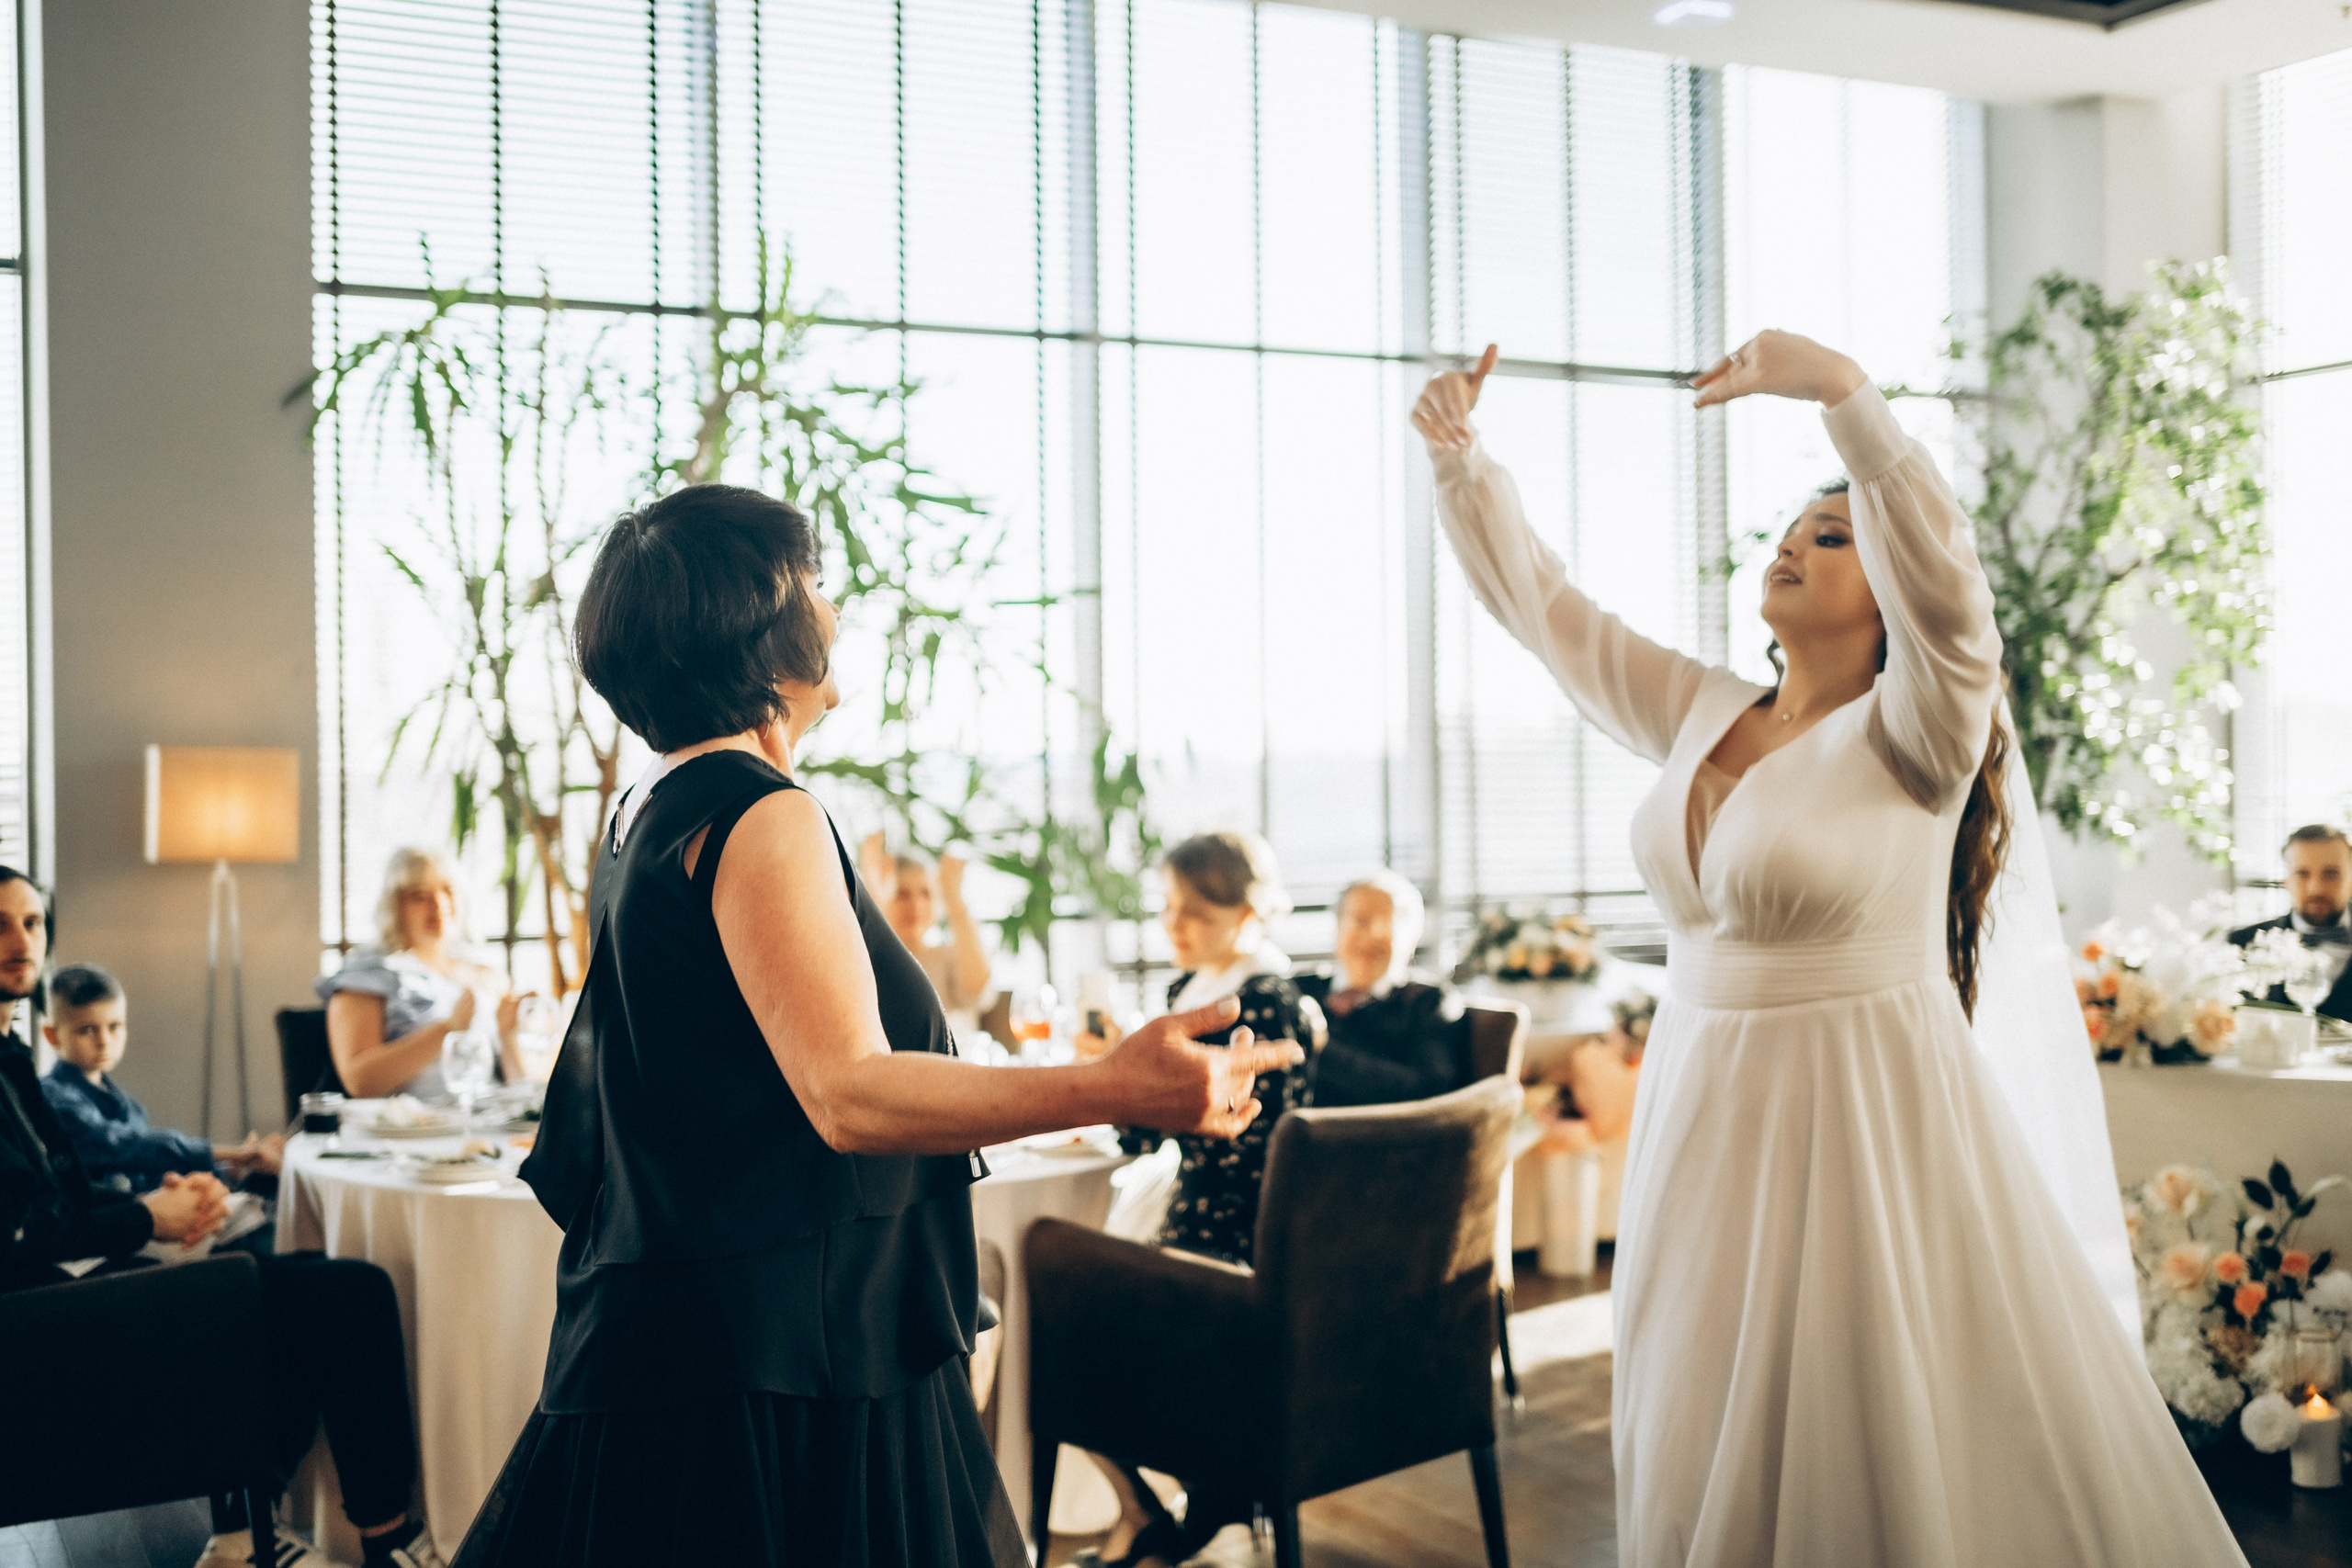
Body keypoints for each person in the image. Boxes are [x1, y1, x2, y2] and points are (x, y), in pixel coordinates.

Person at [1414, 334, 2245, 1565]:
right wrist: (1459, 459)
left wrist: (1842, 396)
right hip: (1701, 1111)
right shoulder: (1700, 708)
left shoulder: (1922, 723)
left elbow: (1952, 589)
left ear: (1890, 586)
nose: (1797, 543)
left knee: (1863, 1421)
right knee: (1699, 1411)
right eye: (1796, 527)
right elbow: (1550, 613)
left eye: (1836, 533)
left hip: (1860, 1115)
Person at [452, 482, 1300, 1568]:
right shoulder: (764, 818)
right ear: (759, 635)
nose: (834, 608)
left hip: (716, 1333)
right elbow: (850, 1093)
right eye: (812, 583)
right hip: (781, 1360)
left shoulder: (648, 814)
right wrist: (1113, 1087)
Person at [0, 870, 443, 1568]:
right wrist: (147, 1217)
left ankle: (248, 1530)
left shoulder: (13, 1060)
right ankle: (384, 1540)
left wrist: (160, 1205)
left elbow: (65, 1201)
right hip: (47, 1323)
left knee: (307, 1279)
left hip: (81, 1282)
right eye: (1, 924)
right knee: (348, 1293)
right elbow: (20, 1235)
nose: (20, 940)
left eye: (31, 922)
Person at [40, 963, 284, 1196]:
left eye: (114, 1027)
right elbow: (120, 1146)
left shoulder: (129, 1107)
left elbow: (150, 1173)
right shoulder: (51, 1098)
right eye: (87, 1030)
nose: (104, 1041)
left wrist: (230, 1170)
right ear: (52, 1036)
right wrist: (231, 1152)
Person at [318, 847, 526, 1100]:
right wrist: (447, 1030)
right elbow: (359, 1082)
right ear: (395, 905)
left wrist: (509, 1036)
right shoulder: (368, 975)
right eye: (419, 896)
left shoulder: (488, 976)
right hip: (408, 1130)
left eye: (448, 890)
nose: (439, 904)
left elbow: (524, 1087)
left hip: (488, 1124)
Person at [1294, 870, 1469, 1108]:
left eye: (1388, 923)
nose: (1373, 934)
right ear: (1338, 928)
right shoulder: (1297, 989)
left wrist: (1323, 1049)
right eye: (1360, 920)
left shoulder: (1429, 1002)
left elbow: (1429, 1089)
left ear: (1413, 939)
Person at [859, 837, 995, 1036]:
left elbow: (978, 994)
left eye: (926, 893)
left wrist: (954, 899)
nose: (916, 905)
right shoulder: (865, 961)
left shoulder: (947, 956)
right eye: (902, 894)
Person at [2230, 824, 2352, 1021]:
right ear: (2286, 879)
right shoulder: (2241, 945)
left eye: (2331, 873)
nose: (2316, 889)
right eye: (2302, 873)